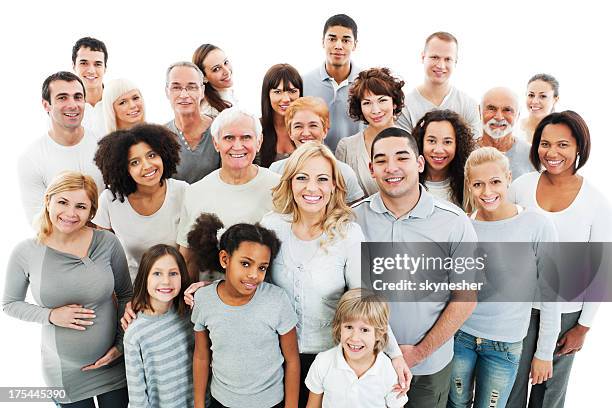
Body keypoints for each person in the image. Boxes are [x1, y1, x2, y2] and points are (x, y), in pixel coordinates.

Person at [262, 142, 409, 406]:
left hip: (331, 360)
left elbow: (367, 301)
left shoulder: (347, 235)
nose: (311, 188)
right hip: (277, 358)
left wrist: (394, 355)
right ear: (290, 182)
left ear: (333, 187)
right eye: (302, 178)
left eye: (322, 179)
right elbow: (250, 282)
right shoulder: (271, 226)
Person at [352, 127, 477, 408]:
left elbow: (466, 298)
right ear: (372, 169)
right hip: (366, 363)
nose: (391, 167)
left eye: (402, 157)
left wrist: (418, 352)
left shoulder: (455, 222)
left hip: (428, 366)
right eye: (381, 160)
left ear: (419, 164)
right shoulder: (352, 220)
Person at [507, 111, 612, 408]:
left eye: (562, 145)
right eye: (545, 143)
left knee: (549, 395)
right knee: (511, 386)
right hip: (521, 309)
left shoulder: (596, 202)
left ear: (579, 147)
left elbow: (601, 272)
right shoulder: (521, 187)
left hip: (566, 315)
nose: (551, 153)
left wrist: (583, 327)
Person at [2, 171, 133, 407]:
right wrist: (50, 315)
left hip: (113, 364)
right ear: (48, 201)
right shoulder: (26, 252)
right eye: (63, 202)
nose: (70, 213)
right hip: (64, 375)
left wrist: (120, 346)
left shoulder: (107, 243)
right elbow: (9, 304)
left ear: (91, 211)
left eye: (81, 206)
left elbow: (126, 296)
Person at [447, 147, 560, 408]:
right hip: (460, 337)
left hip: (505, 344)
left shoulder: (537, 225)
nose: (487, 192)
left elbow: (552, 296)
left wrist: (544, 353)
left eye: (495, 182)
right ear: (469, 185)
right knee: (455, 404)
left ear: (508, 178)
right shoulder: (463, 225)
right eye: (478, 184)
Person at [190, 213, 300, 408]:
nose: (254, 275)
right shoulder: (204, 299)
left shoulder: (276, 300)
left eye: (262, 268)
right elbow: (201, 355)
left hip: (271, 403)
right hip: (222, 401)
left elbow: (292, 360)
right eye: (246, 264)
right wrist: (199, 404)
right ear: (225, 259)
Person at [175, 106, 280, 280]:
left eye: (246, 137)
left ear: (259, 142)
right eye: (229, 138)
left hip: (266, 298)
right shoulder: (195, 192)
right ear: (216, 143)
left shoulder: (279, 187)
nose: (237, 146)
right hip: (212, 299)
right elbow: (187, 260)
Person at [93, 124, 187, 282]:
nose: (147, 166)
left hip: (175, 285)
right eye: (134, 162)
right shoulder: (109, 200)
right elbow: (103, 259)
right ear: (123, 169)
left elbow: (189, 259)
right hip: (131, 286)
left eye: (151, 155)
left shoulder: (183, 192)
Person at [18, 71, 104, 225]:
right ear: (46, 105)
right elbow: (38, 222)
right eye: (62, 97)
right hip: (60, 246)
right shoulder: (32, 159)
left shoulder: (103, 145)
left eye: (78, 97)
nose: (72, 105)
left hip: (106, 242)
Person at [305, 289, 408, 408]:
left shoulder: (389, 371)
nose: (354, 338)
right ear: (339, 327)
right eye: (349, 327)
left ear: (379, 333)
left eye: (364, 330)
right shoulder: (322, 362)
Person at [123, 244, 194, 408]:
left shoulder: (190, 315)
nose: (166, 281)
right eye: (157, 273)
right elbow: (137, 396)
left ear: (182, 276)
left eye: (173, 273)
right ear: (144, 278)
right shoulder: (135, 333)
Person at [269, 97, 364, 203]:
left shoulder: (344, 173)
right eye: (298, 126)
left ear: (325, 130)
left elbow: (355, 214)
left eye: (313, 125)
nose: (305, 133)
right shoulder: (276, 170)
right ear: (290, 133)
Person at [336, 67, 405, 197]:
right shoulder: (347, 148)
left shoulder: (412, 141)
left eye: (382, 100)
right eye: (367, 103)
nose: (375, 110)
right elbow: (341, 196)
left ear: (394, 103)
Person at [396, 32, 480, 137]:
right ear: (423, 57)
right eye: (435, 57)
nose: (441, 65)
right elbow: (404, 149)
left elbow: (475, 149)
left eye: (448, 59)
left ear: (456, 62)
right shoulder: (404, 106)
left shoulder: (468, 105)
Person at [303, 14, 363, 152]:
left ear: (355, 45)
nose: (338, 46)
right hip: (314, 162)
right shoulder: (303, 83)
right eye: (332, 39)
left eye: (346, 40)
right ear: (323, 42)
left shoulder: (365, 82)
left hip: (356, 164)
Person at [164, 61, 220, 184]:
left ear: (202, 91)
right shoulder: (160, 137)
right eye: (176, 87)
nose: (184, 95)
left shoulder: (221, 129)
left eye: (192, 87)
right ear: (167, 91)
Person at [412, 109, 475, 206]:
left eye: (447, 142)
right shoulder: (408, 180)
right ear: (421, 142)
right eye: (432, 141)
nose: (438, 150)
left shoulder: (468, 182)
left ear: (457, 145)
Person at [478, 87, 535, 179]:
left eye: (507, 110)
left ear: (518, 115)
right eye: (491, 108)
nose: (499, 117)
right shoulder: (464, 151)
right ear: (479, 111)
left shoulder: (532, 154)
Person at [259, 63, 303, 167]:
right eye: (278, 92)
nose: (286, 99)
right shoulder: (255, 129)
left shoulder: (309, 127)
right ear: (267, 94)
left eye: (292, 91)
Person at [72, 37, 108, 134]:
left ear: (105, 68)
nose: (91, 71)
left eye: (98, 64)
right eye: (84, 63)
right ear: (74, 66)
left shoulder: (119, 102)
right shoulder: (63, 108)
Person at [192, 44, 237, 118]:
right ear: (204, 78)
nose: (227, 71)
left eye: (225, 62)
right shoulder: (210, 112)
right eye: (216, 69)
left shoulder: (229, 94)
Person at [520, 74, 560, 144]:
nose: (534, 101)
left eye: (543, 96)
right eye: (531, 95)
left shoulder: (562, 132)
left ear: (555, 100)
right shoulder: (513, 128)